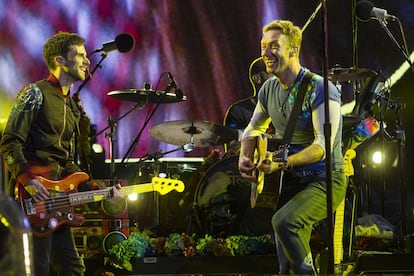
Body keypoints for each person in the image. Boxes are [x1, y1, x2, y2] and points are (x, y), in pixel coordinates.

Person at [0, 31, 119, 275]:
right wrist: (29, 181)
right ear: (60, 60)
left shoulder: (73, 107)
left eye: (87, 56)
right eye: (81, 55)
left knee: (73, 269)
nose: (87, 61)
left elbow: (66, 163)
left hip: (57, 204)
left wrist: (96, 190)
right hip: (31, 201)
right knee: (37, 269)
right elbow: (9, 142)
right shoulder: (34, 93)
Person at [238, 20, 347, 274]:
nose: (265, 53)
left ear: (293, 49)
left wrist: (283, 163)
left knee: (285, 222)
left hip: (325, 179)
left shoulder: (320, 89)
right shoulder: (268, 89)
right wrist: (245, 155)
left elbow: (323, 145)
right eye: (263, 46)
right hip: (291, 182)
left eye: (274, 46)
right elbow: (253, 129)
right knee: (285, 265)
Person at [223, 57, 272, 153]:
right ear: (257, 78)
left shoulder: (288, 110)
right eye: (274, 74)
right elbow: (233, 150)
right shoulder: (238, 111)